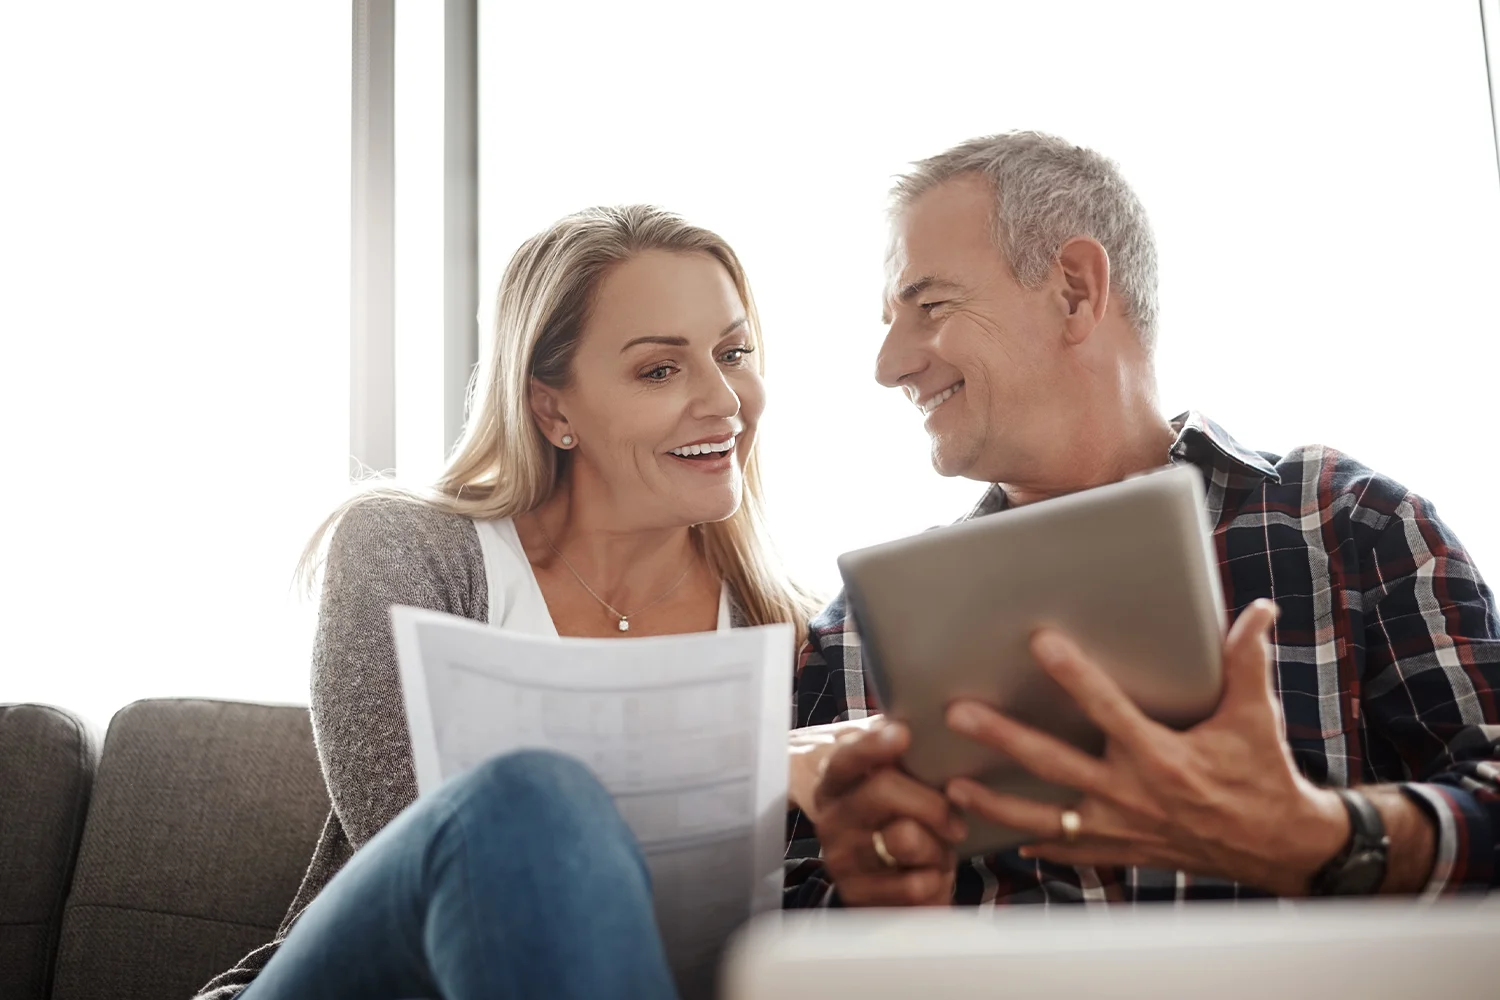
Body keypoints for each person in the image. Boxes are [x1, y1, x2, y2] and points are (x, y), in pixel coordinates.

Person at [787, 131, 1500, 908]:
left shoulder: (1353, 526)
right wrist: (871, 904)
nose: (888, 365)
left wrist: (1322, 836)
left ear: (1074, 290)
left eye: (928, 306)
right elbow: (769, 929)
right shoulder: (857, 636)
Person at [194, 205, 821, 1000]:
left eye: (733, 353)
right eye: (660, 370)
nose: (724, 401)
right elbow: (428, 848)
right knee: (530, 796)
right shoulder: (409, 551)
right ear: (552, 409)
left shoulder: (794, 629)